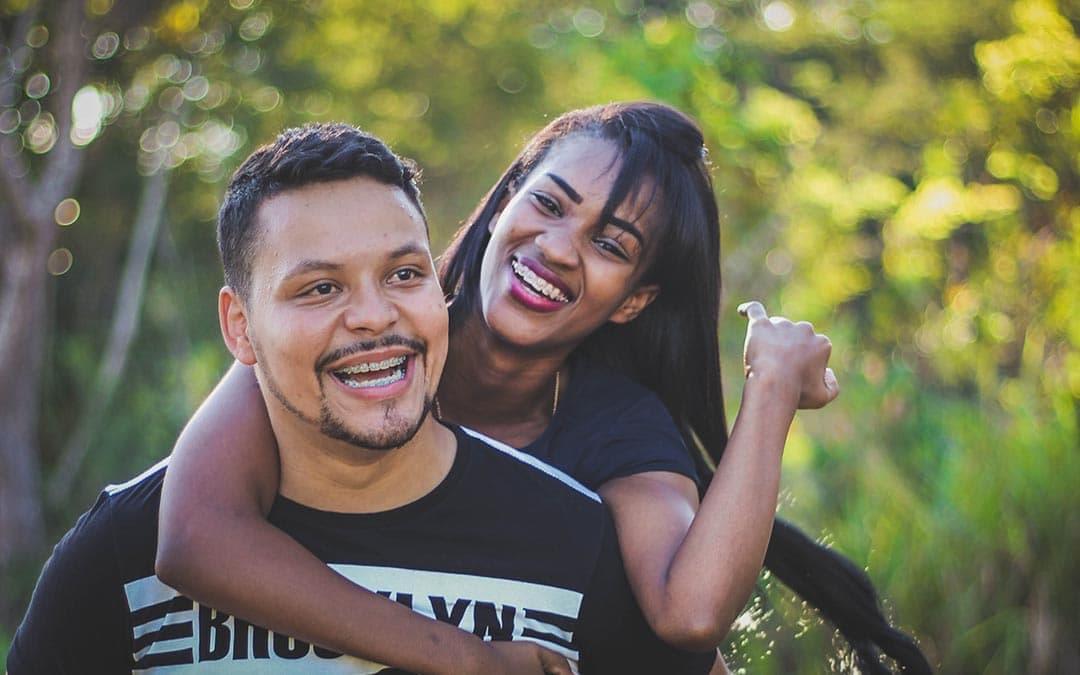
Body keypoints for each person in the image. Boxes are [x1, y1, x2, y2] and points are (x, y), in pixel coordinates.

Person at [156, 103, 931, 673]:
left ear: (633, 298)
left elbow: (690, 613)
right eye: (549, 205)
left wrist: (772, 387)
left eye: (610, 244)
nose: (559, 248)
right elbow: (193, 536)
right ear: (503, 206)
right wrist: (468, 661)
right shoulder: (367, 333)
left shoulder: (613, 426)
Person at [6, 123, 723, 674]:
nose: (374, 315)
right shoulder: (123, 552)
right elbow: (193, 539)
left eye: (404, 273)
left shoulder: (577, 543)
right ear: (240, 327)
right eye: (320, 287)